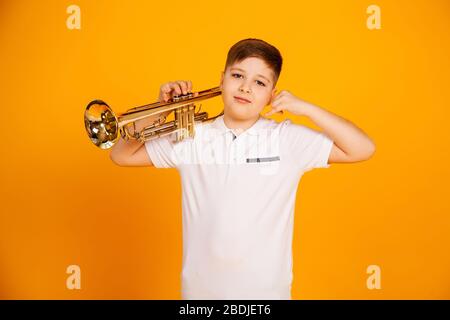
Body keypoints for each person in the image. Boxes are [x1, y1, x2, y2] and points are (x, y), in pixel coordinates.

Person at [109, 38, 376, 299]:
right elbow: (121, 155)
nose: (246, 88)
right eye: (238, 76)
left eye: (259, 82)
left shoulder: (287, 139)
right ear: (222, 80)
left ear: (272, 95)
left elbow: (363, 148)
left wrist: (306, 108)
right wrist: (161, 109)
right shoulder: (190, 137)